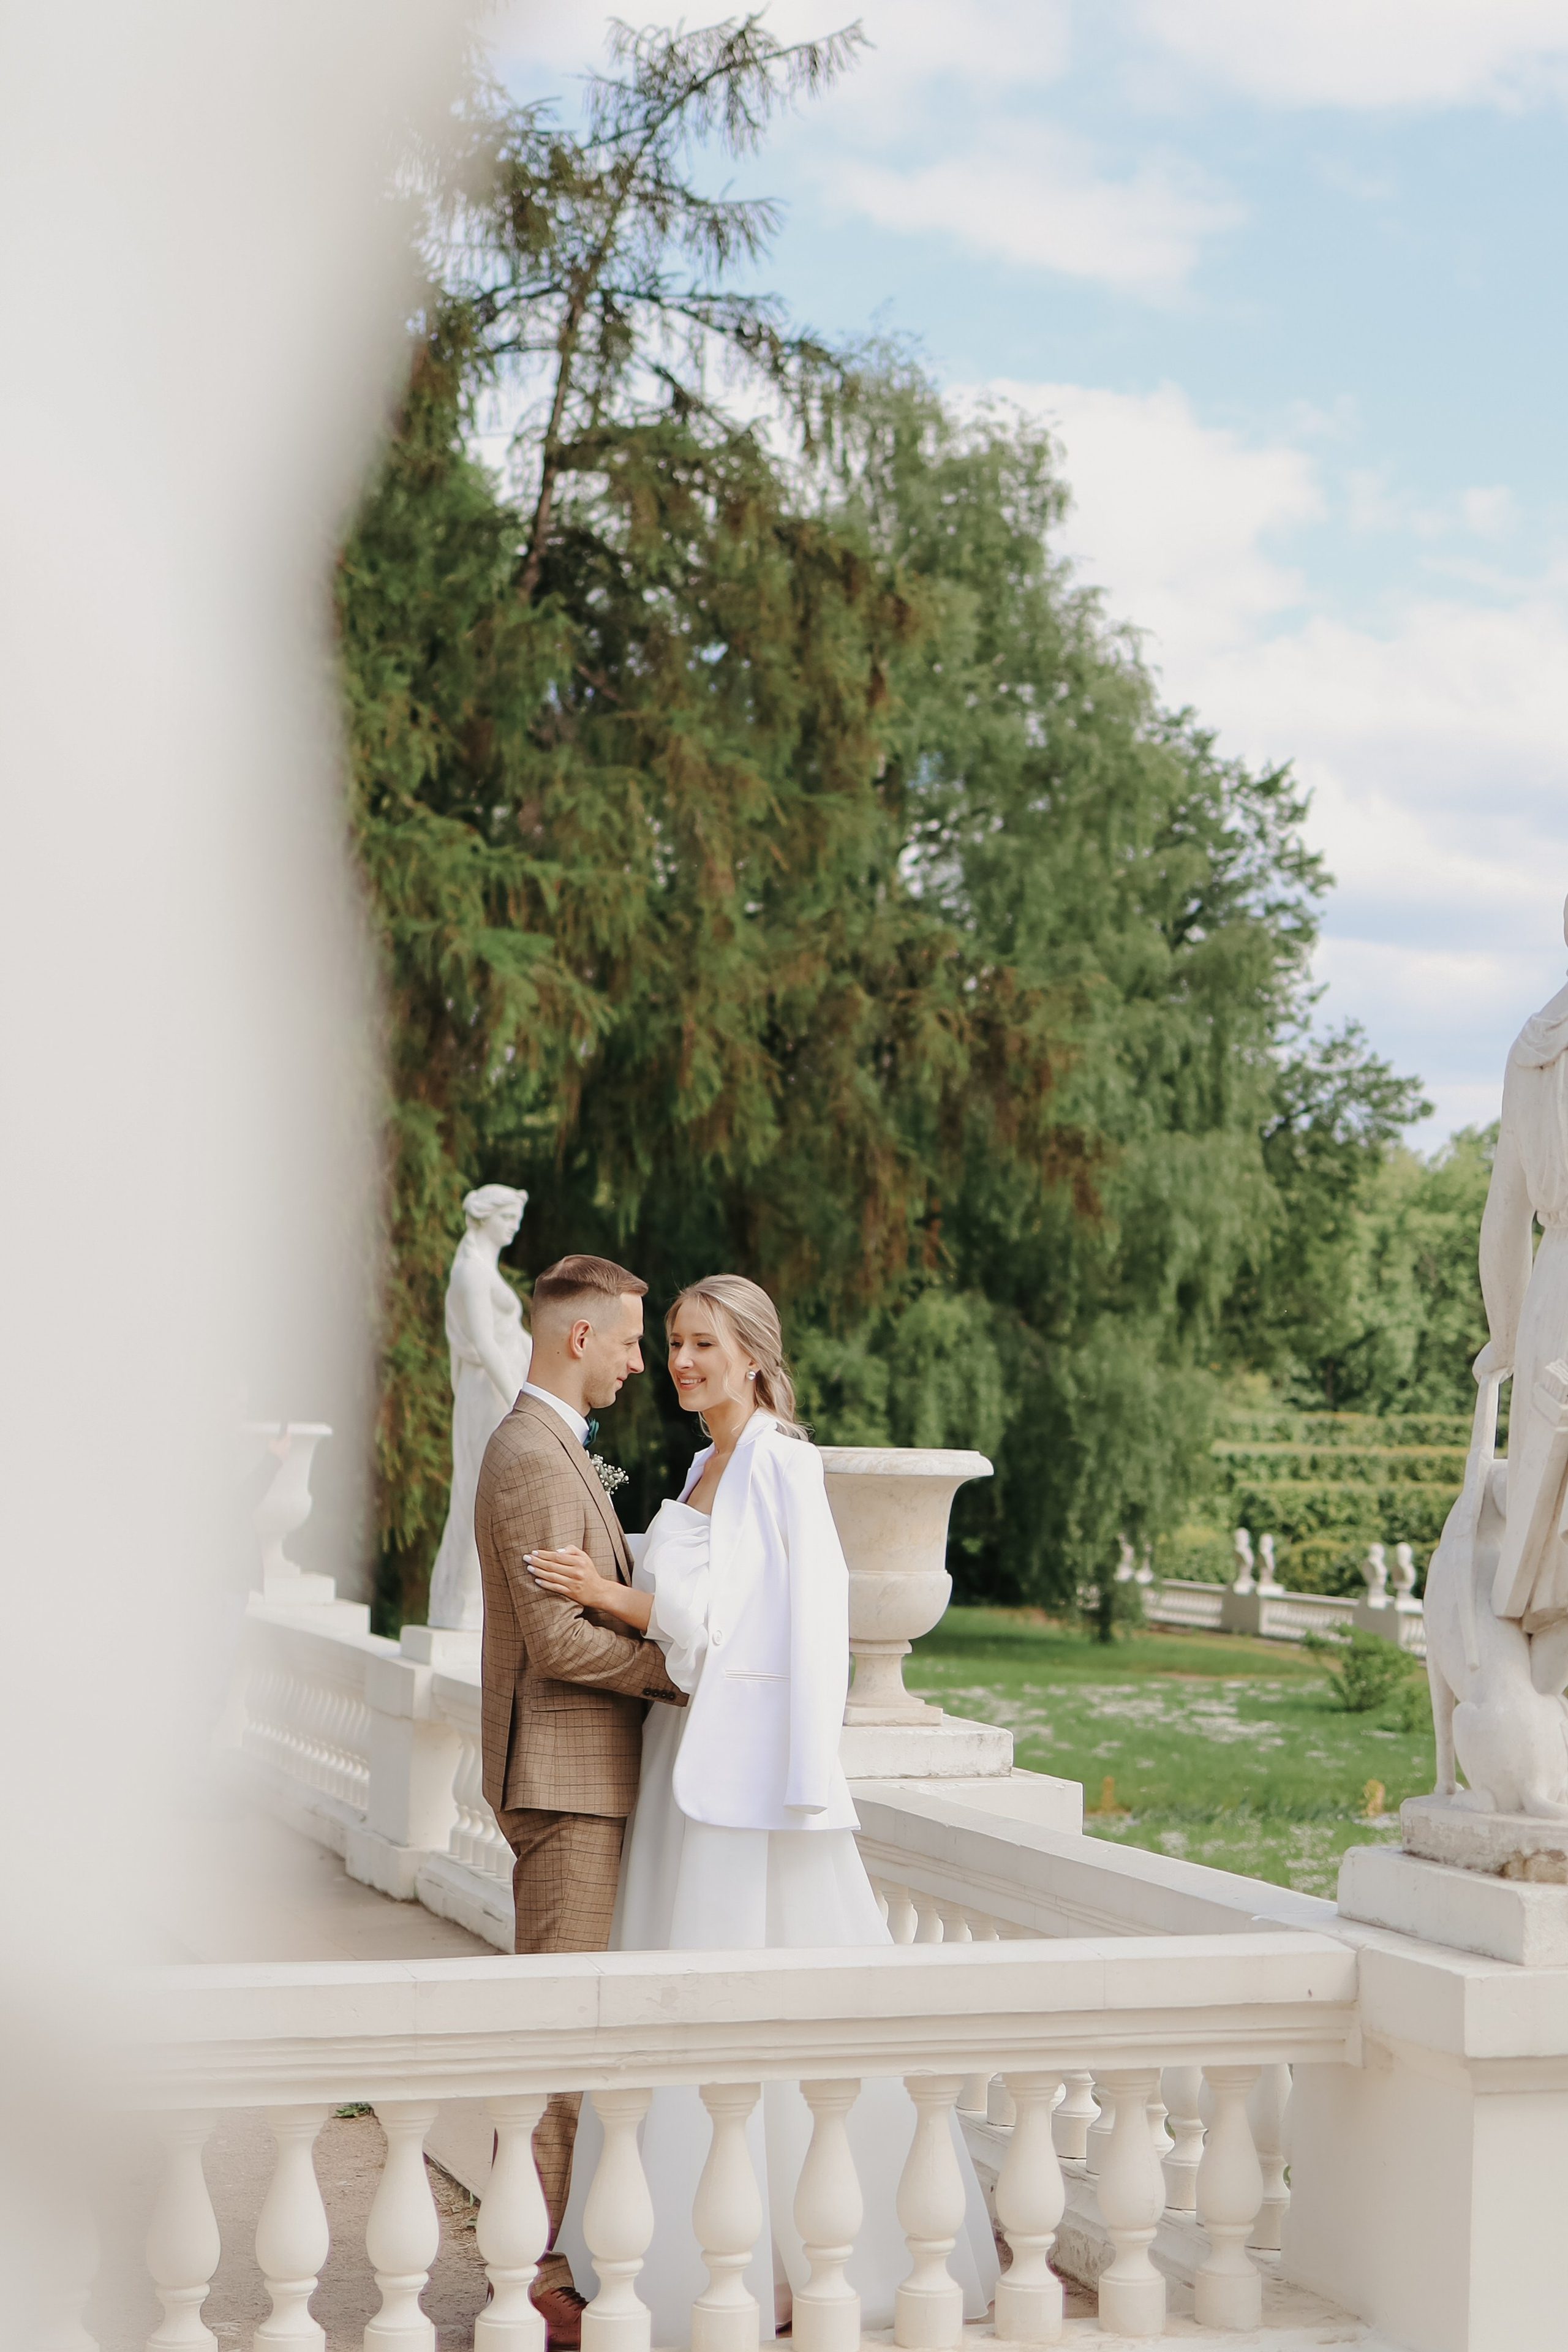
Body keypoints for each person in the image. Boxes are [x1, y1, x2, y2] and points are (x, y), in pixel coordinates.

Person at [528, 1273, 997, 2343]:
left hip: (744, 1784)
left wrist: (611, 1596)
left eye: (703, 1344)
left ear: (753, 1354)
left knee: (759, 2006)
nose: (684, 1362)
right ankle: (680, 2248)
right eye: (677, 1344)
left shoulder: (783, 1461)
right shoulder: (705, 1462)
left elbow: (761, 1624)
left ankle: (795, 2263)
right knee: (675, 2002)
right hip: (682, 1767)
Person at [474, 1253, 688, 2351]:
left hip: (583, 1777)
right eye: (630, 1341)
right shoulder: (531, 1457)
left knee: (565, 2029)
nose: (639, 1362)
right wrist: (677, 1673)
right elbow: (558, 1641)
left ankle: (540, 2253)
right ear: (578, 1339)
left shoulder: (558, 1452)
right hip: (561, 1780)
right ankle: (529, 2275)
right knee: (551, 2038)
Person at [428, 1185, 532, 1630]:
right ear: (485, 1216)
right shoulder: (471, 1271)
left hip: (489, 1391)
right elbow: (483, 1344)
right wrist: (519, 1402)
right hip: (491, 1393)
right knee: (478, 1494)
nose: (515, 1226)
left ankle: (470, 1603)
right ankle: (461, 1604)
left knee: (487, 1494)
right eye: (507, 1217)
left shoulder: (480, 1266)